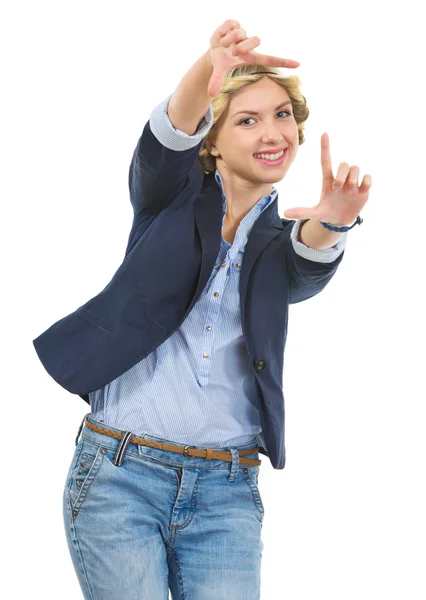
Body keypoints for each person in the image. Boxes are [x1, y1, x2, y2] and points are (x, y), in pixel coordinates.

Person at [32, 19, 372, 600]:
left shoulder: (279, 236)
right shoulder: (168, 196)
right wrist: (206, 67)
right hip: (120, 476)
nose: (273, 133)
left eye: (282, 115)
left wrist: (334, 221)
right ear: (212, 138)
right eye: (248, 119)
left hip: (227, 492)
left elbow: (303, 268)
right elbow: (165, 141)